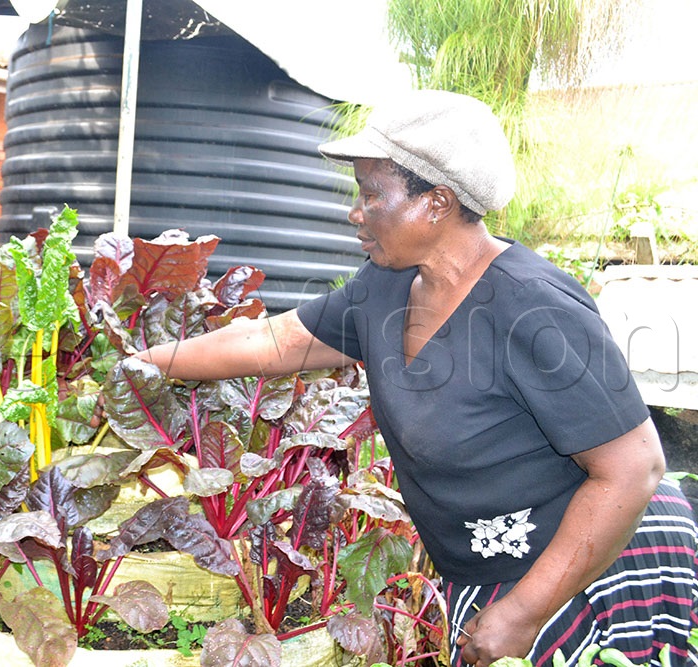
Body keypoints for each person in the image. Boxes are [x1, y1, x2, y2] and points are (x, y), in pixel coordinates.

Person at [137, 90, 698, 666]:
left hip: (590, 566)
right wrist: (146, 362)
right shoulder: (384, 287)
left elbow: (634, 469)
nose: (355, 211)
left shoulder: (535, 308)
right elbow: (273, 341)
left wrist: (525, 610)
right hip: (488, 570)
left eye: (371, 194)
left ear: (437, 202)